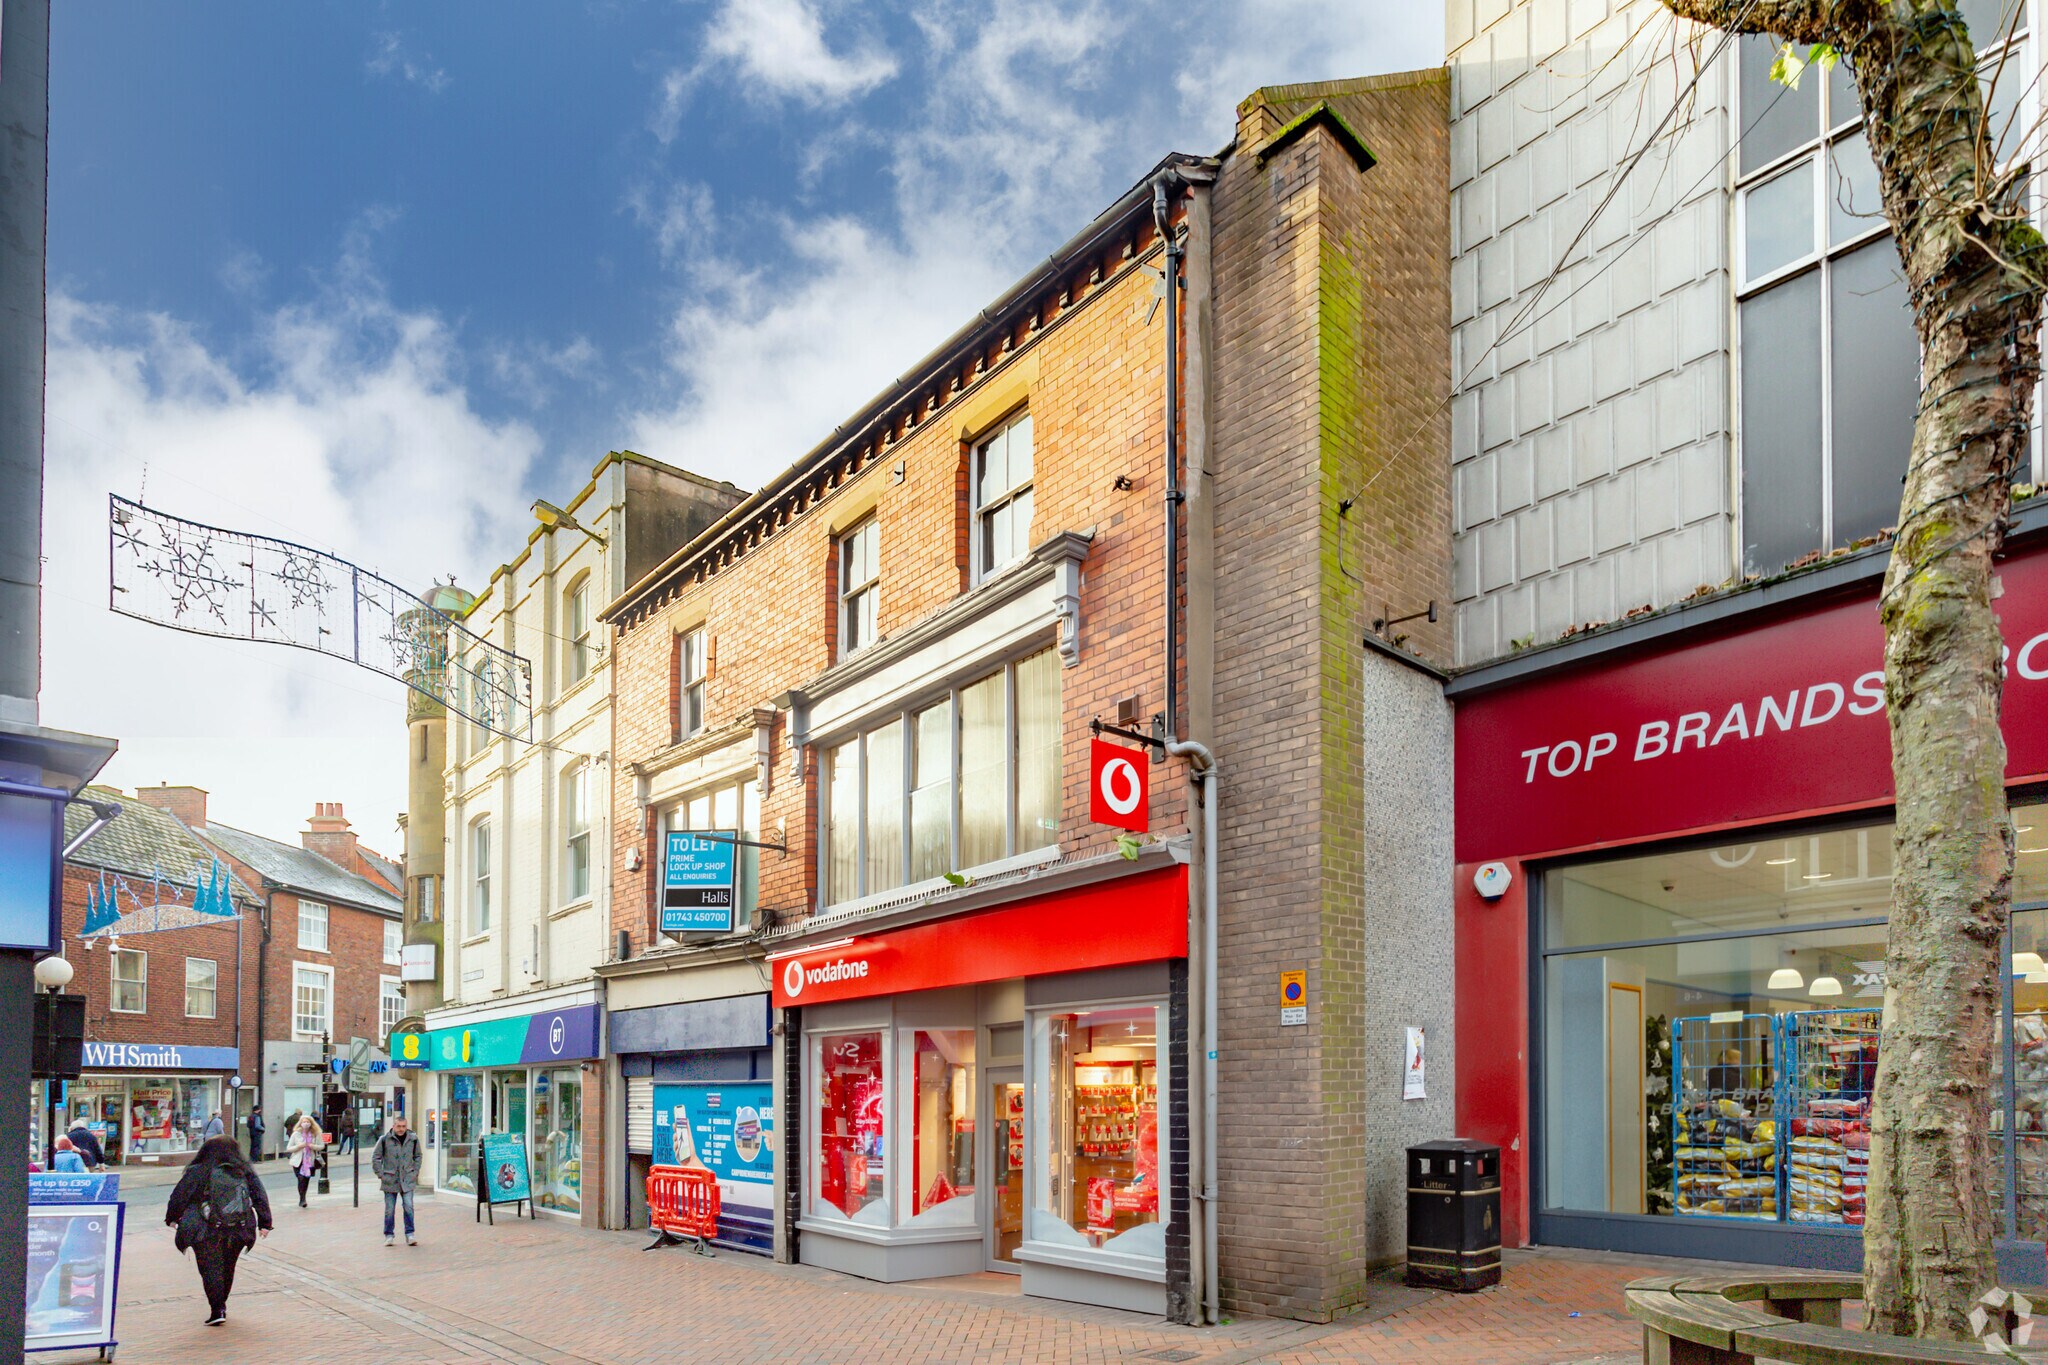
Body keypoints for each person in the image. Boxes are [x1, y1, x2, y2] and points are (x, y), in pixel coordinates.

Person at [164, 1136, 271, 1326]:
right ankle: (222, 1304)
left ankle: (217, 1308)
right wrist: (264, 1222)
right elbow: (259, 1195)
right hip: (238, 1227)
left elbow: (179, 1195)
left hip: (205, 1229)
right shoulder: (243, 1170)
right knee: (228, 1267)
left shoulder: (198, 1170)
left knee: (210, 1268)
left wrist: (172, 1218)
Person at [370, 1113, 422, 1247]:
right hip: (390, 1179)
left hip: (407, 1179)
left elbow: (418, 1156)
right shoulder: (384, 1139)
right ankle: (389, 1235)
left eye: (403, 1126)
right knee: (389, 1209)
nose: (401, 1129)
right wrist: (381, 1174)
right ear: (393, 1126)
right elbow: (376, 1157)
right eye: (398, 1126)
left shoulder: (413, 1139)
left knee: (409, 1207)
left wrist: (415, 1172)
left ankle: (410, 1234)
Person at [284, 1115, 323, 1208]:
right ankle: (302, 1199)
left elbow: (321, 1146)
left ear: (311, 1123)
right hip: (298, 1160)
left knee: (306, 1180)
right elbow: (289, 1148)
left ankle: (303, 1197)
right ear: (300, 1123)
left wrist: (312, 1146)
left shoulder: (315, 1134)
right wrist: (299, 1146)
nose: (306, 1124)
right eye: (304, 1122)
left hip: (309, 1160)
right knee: (301, 1179)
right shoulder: (296, 1134)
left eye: (308, 1122)